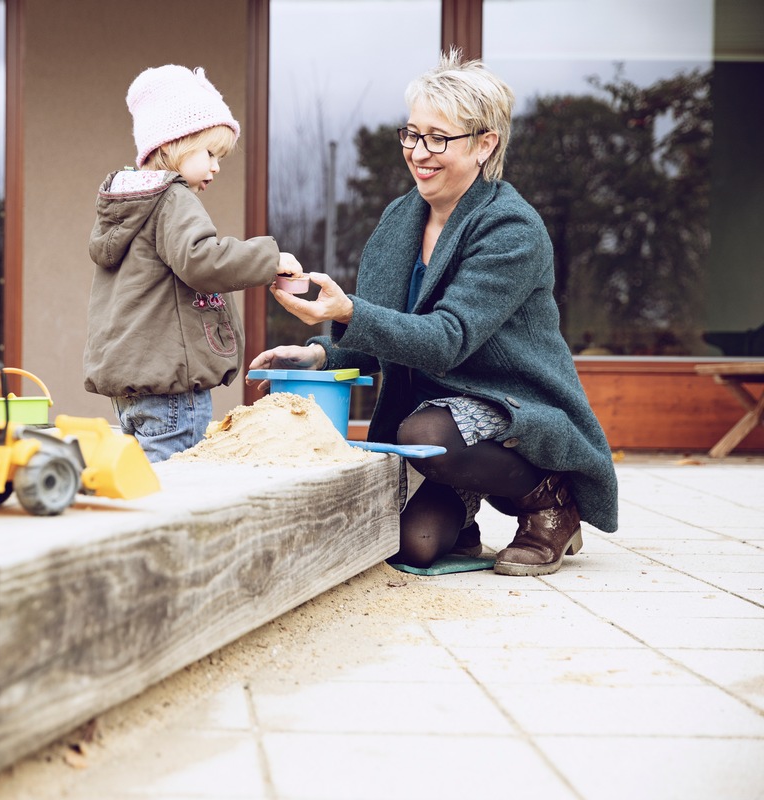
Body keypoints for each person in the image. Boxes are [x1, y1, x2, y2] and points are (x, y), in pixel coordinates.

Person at [249, 49, 618, 576]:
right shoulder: (401, 219)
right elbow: (377, 337)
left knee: (425, 436)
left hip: (507, 406)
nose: (419, 152)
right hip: (432, 420)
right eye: (412, 134)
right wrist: (316, 353)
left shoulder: (511, 228)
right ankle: (462, 498)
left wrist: (350, 310)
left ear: (484, 144)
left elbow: (446, 339)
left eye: (439, 138)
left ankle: (550, 501)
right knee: (412, 546)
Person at [84, 64, 303, 462]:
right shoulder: (172, 198)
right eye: (210, 153)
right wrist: (267, 257)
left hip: (132, 391)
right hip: (172, 393)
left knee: (141, 486)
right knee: (176, 496)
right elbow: (201, 260)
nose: (217, 166)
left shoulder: (126, 204)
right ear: (176, 143)